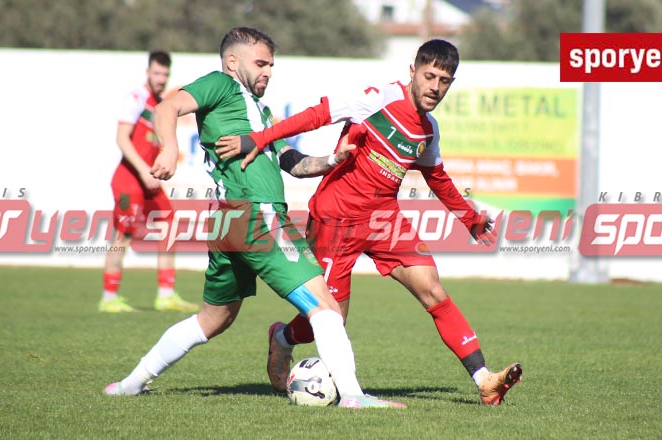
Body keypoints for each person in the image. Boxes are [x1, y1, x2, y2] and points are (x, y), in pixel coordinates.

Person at [104, 27, 405, 409]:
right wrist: (169, 148)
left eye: (271, 65)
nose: (268, 71)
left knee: (212, 320)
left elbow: (293, 164)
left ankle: (130, 384)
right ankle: (353, 396)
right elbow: (167, 108)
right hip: (258, 215)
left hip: (230, 222)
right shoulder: (221, 85)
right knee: (325, 307)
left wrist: (334, 159)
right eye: (260, 63)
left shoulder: (259, 113)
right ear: (233, 62)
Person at [216, 39, 522, 406]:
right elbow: (316, 116)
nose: (435, 87)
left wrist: (469, 218)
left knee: (433, 289)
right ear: (413, 72)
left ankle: (484, 379)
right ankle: (282, 337)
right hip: (335, 218)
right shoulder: (377, 99)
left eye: (444, 80)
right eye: (429, 76)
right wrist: (259, 137)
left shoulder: (428, 131)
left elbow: (436, 177)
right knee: (330, 318)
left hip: (383, 219)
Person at [100, 50, 200, 313]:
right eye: (157, 73)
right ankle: (109, 298)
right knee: (124, 235)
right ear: (148, 73)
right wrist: (144, 170)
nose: (161, 78)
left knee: (169, 223)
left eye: (165, 74)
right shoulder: (137, 98)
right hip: (129, 180)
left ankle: (165, 294)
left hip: (150, 181)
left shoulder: (162, 105)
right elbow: (122, 138)